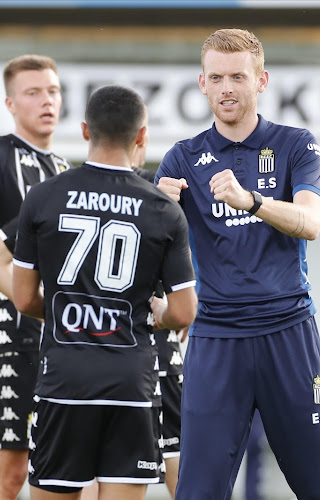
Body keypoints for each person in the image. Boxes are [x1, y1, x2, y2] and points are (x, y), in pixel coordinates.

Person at [155, 29, 320, 500]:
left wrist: (252, 201)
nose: (226, 89)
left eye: (238, 77)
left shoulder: (295, 145)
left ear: (261, 80)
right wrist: (155, 212)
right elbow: (155, 253)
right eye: (216, 77)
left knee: (318, 487)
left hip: (288, 331)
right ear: (201, 83)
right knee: (197, 492)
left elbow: (310, 221)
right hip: (216, 338)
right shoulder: (181, 157)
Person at [11, 84, 198, 500]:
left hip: (64, 380)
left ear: (83, 130)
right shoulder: (163, 210)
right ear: (142, 136)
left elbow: (23, 298)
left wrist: (66, 312)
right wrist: (153, 313)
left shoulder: (44, 197)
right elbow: (184, 312)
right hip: (131, 383)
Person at [0, 54, 70, 500]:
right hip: (14, 332)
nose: (47, 101)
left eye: (53, 91)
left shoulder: (65, 169)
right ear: (10, 103)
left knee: (60, 470)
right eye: (33, 92)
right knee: (9, 472)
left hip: (65, 338)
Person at [132, 129, 183, 499]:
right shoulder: (75, 190)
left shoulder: (160, 185)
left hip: (158, 345)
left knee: (181, 465)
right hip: (113, 351)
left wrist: (185, 309)